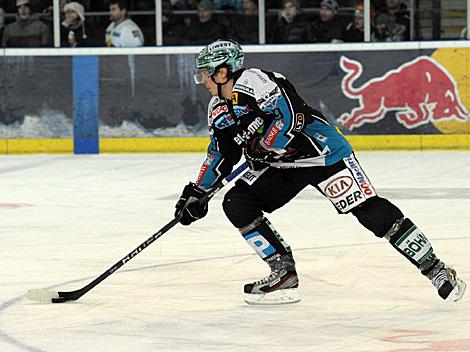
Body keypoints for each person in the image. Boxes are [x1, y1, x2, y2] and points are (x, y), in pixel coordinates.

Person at [174, 39, 467, 305]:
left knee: (369, 211)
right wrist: (198, 192)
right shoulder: (218, 109)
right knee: (237, 202)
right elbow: (221, 155)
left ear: (222, 72)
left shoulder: (255, 82)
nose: (203, 81)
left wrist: (263, 141)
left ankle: (437, 269)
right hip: (282, 166)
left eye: (205, 73)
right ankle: (283, 272)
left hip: (322, 155)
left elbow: (292, 116)